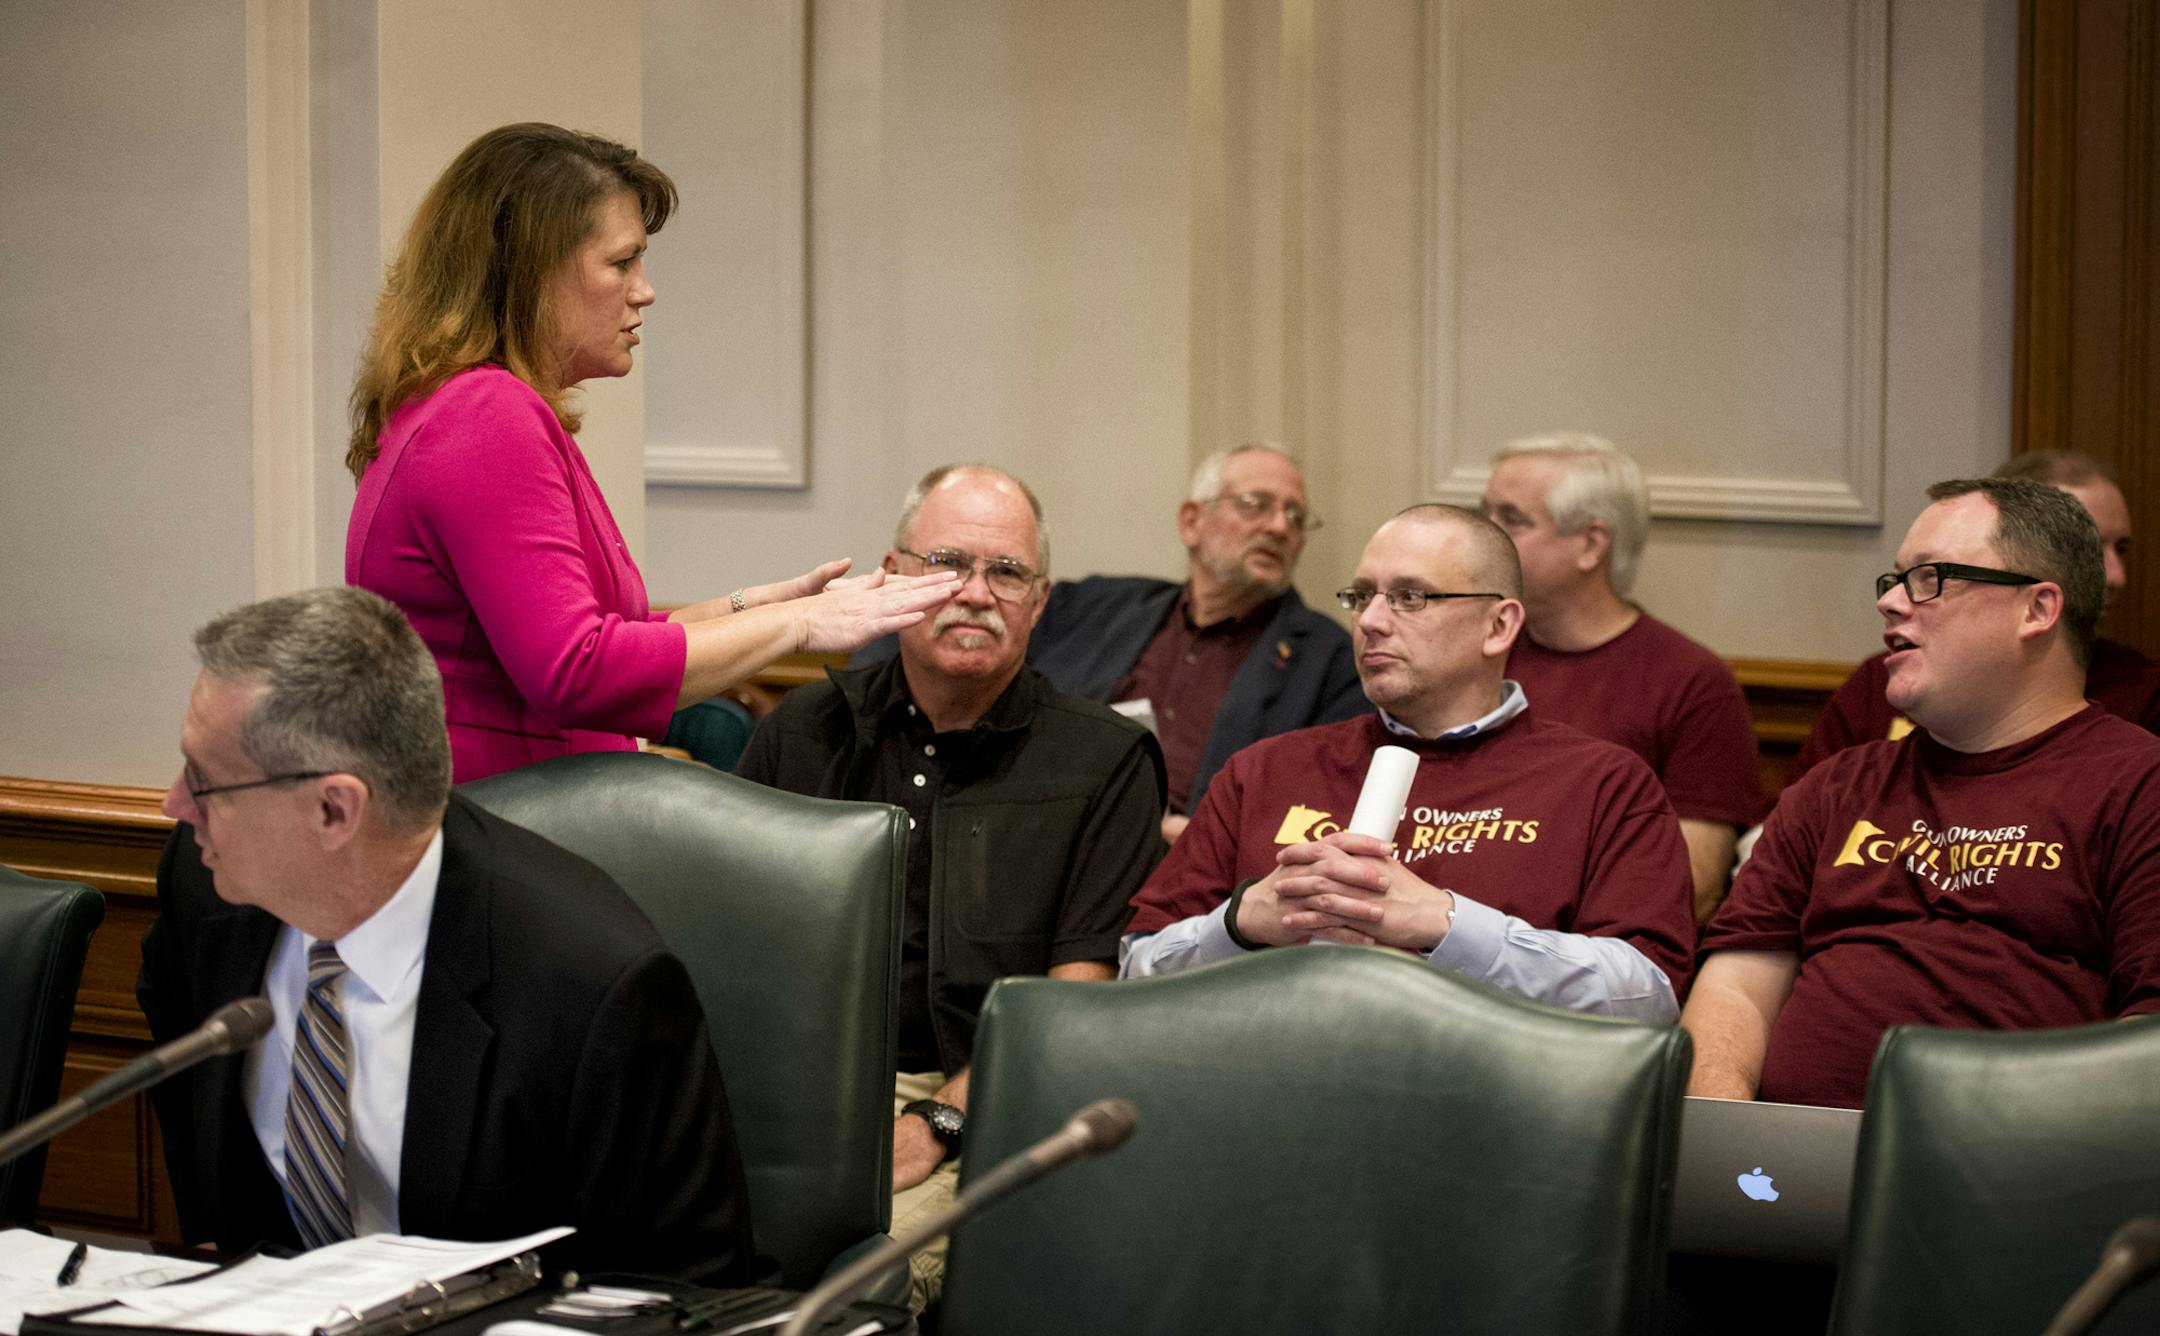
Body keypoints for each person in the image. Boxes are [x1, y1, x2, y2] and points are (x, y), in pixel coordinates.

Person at [138, 587, 754, 1281]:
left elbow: (687, 1291)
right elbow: (204, 1164)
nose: (173, 805)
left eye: (204, 780)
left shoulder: (590, 986)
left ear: (335, 810)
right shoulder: (206, 893)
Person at [345, 122, 954, 782]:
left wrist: (757, 608)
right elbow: (577, 671)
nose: (645, 290)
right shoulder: (487, 416)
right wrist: (802, 626)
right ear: (533, 273)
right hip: (491, 829)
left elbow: (610, 630)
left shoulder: (464, 405)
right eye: (620, 263)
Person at [735, 465, 1165, 1309]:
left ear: (1038, 601)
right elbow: (741, 953)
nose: (975, 593)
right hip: (799, 1094)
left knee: (856, 1287)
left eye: (1006, 572)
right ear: (893, 576)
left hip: (994, 1099)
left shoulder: (1104, 761)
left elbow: (1077, 996)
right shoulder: (802, 733)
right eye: (946, 564)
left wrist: (938, 1122)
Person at [1683, 479, 2160, 1110]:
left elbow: (2148, 1033)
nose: (1892, 604)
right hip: (1786, 1174)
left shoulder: (2137, 784)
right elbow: (1738, 986)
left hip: (2018, 1180)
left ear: (2037, 610)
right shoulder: (1834, 787)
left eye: (1930, 578)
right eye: (1894, 580)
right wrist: (1731, 1143)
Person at [1121, 504, 1695, 1021]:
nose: (1371, 620)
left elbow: (1649, 997)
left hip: (1488, 1109)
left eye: (1410, 597)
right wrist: (1242, 922)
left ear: (1499, 626)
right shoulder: (1265, 770)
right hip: (1268, 1092)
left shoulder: (1601, 783)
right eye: (1360, 595)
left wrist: (1445, 924)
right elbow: (1135, 969)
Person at [1481, 432, 1765, 922]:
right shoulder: (1473, 652)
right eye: (1482, 512)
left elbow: (1690, 888)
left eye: (1510, 520)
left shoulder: (1692, 683)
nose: (1482, 537)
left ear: (1591, 544)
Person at [1024, 444, 1366, 841]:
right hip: (1052, 841)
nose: (1279, 527)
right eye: (1256, 504)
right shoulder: (1091, 607)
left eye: (1296, 516)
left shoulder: (1331, 663)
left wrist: (1210, 843)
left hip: (1196, 880)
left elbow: (1328, 813)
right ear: (1192, 521)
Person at [1790, 450, 2160, 783]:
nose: (2114, 575)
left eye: (2120, 548)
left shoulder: (2142, 726)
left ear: (2039, 609)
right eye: (2090, 550)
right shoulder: (1877, 694)